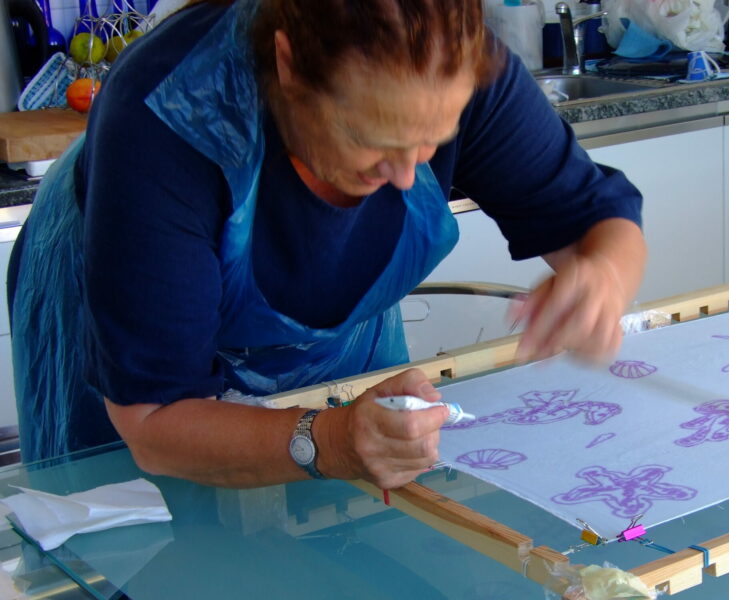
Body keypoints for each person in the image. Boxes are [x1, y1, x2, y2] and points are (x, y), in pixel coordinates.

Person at [8, 0, 646, 489]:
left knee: (354, 547)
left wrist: (603, 275)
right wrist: (334, 440)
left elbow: (598, 218)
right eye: (372, 137)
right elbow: (154, 421)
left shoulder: (449, 65)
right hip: (124, 319)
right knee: (168, 589)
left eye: (428, 142)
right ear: (289, 66)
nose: (405, 177)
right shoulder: (168, 122)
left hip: (334, 322)